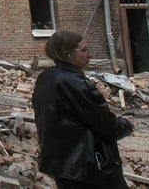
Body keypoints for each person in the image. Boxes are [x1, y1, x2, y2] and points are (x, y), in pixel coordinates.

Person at [32, 31, 134, 188]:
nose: (90, 55)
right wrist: (126, 124)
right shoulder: (76, 83)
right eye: (84, 50)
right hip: (90, 168)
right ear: (68, 54)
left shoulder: (45, 78)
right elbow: (107, 126)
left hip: (62, 166)